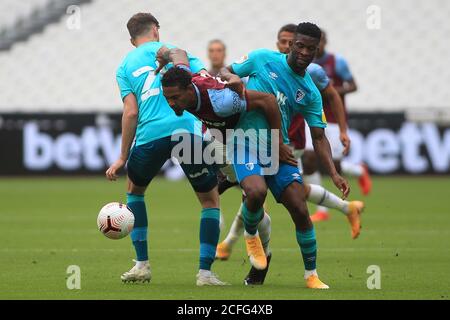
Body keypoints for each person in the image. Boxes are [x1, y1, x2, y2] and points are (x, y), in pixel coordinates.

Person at [215, 24, 364, 285]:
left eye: (311, 48)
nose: (305, 52)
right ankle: (251, 238)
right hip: (245, 143)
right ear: (290, 44)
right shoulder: (262, 58)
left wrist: (333, 172)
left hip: (279, 150)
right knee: (256, 192)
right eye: (300, 46)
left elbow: (318, 137)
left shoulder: (310, 92)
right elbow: (225, 71)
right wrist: (231, 78)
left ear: (317, 51)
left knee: (300, 208)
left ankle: (312, 275)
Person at [105, 12, 226, 286]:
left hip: (151, 134)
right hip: (188, 131)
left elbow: (131, 112)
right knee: (209, 200)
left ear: (131, 40)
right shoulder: (182, 55)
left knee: (135, 191)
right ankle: (205, 274)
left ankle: (141, 265)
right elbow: (206, 87)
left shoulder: (125, 66)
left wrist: (122, 156)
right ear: (156, 31)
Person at [309, 30, 372, 221]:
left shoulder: (337, 62)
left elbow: (353, 85)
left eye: (320, 42)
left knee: (333, 163)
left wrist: (333, 90)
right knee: (311, 160)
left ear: (325, 42)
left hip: (334, 118)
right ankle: (322, 210)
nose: (317, 46)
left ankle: (359, 170)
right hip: (312, 116)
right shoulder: (305, 64)